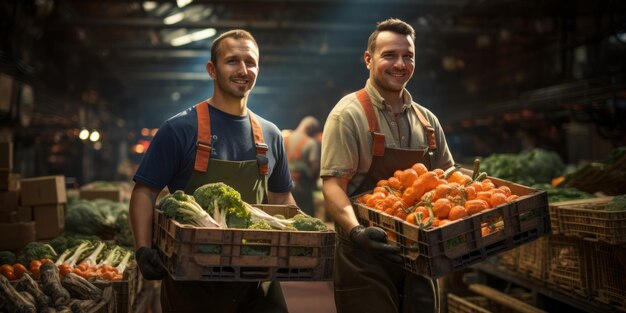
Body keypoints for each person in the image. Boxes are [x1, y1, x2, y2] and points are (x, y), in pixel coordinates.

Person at [129, 29, 295, 313]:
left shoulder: (271, 134)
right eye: (232, 61)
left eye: (250, 62)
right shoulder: (179, 129)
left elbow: (281, 200)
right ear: (212, 70)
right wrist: (142, 248)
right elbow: (145, 192)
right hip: (193, 280)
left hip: (257, 281)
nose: (243, 70)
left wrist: (300, 231)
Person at [320, 18, 455, 313]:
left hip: (419, 257)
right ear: (369, 59)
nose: (400, 64)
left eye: (408, 56)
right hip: (365, 256)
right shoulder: (348, 114)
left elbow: (450, 178)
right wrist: (357, 232)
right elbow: (332, 184)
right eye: (389, 55)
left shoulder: (427, 121)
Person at [284, 116, 321, 216]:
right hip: (303, 188)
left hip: (285, 187)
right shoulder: (311, 143)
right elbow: (315, 166)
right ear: (310, 129)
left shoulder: (284, 139)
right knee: (306, 218)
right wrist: (313, 182)